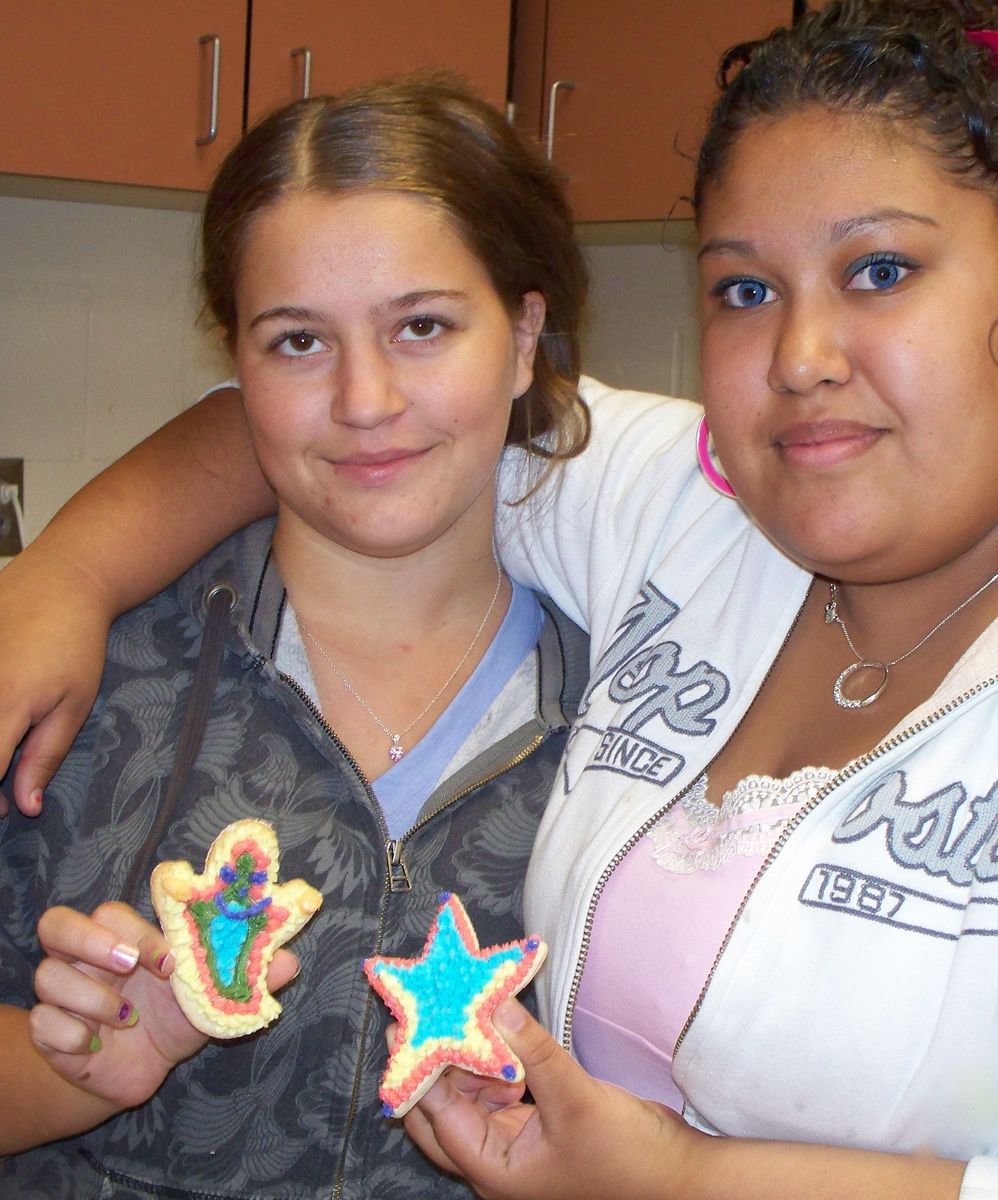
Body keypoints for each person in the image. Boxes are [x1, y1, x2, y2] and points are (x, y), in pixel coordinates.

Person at [1, 0, 996, 1196]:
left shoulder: (628, 595)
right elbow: (354, 433)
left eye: (880, 271)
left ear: (524, 337)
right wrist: (64, 575)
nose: (798, 358)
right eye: (742, 290)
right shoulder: (684, 512)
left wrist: (671, 1179)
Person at [0, 73, 592, 1200]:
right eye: (296, 343)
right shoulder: (77, 683)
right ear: (237, 362)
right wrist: (75, 1068)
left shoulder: (641, 709)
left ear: (521, 340)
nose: (365, 400)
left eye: (422, 327)